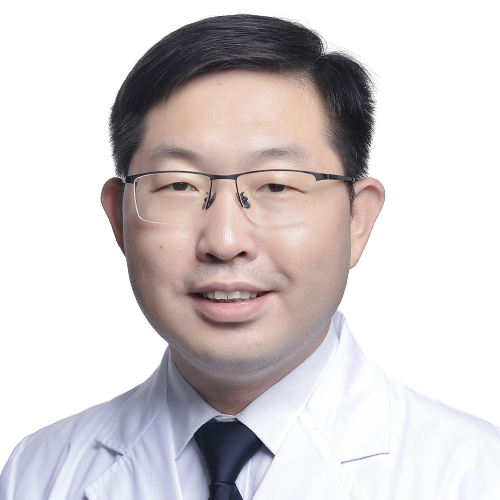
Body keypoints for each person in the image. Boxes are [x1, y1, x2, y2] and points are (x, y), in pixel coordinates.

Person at [1, 13, 499, 500]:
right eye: (178, 185)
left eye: (277, 185)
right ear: (119, 219)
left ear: (357, 219)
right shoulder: (37, 472)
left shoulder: (479, 473)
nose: (224, 240)